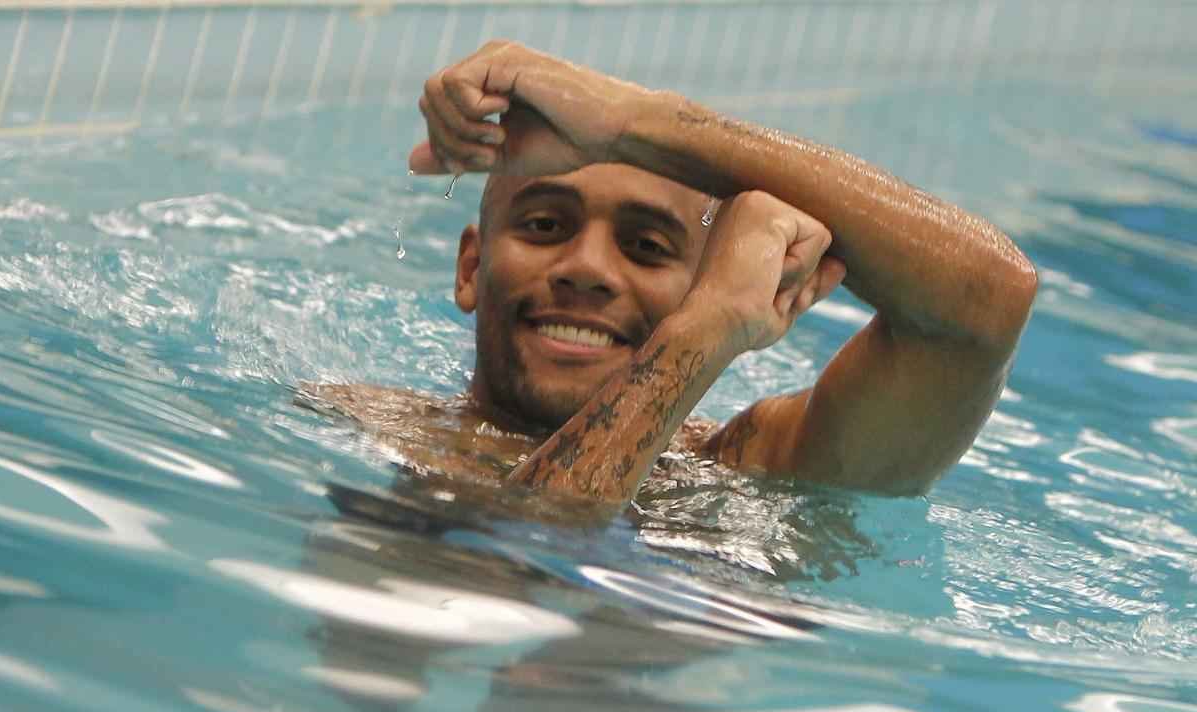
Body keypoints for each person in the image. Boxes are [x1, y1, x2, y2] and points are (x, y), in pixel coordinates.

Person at [305, 40, 1037, 513]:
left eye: (647, 246)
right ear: (471, 266)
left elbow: (987, 304)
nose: (588, 269)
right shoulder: (369, 432)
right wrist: (701, 332)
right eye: (544, 226)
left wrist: (645, 121)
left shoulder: (749, 467)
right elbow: (534, 549)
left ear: (707, 278)